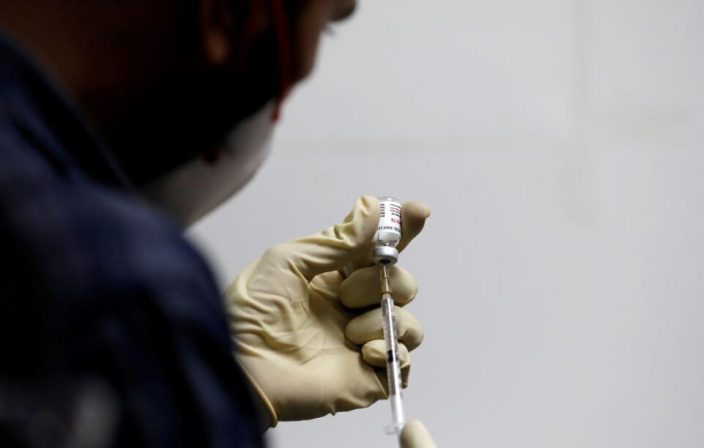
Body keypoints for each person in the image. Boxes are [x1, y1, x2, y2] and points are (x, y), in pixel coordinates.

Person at [0, 0, 436, 447]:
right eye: (328, 27)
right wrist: (174, 370)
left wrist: (222, 387)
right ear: (224, 16)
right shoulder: (115, 289)